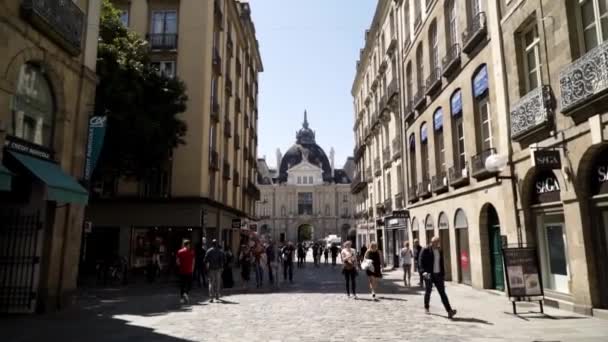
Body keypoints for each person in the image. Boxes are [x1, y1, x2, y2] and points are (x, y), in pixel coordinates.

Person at [419, 236, 457, 319]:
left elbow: (441, 262)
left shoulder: (439, 250)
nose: (436, 244)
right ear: (431, 242)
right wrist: (423, 272)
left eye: (437, 242)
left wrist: (443, 273)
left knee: (442, 293)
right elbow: (420, 261)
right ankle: (426, 307)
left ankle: (449, 311)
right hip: (429, 274)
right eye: (435, 242)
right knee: (428, 291)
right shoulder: (425, 249)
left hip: (438, 275)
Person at [176, 240, 195, 304]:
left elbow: (178, 262)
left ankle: (181, 298)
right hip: (189, 271)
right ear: (188, 245)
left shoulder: (179, 252)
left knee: (182, 285)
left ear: (184, 245)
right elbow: (193, 262)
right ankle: (186, 293)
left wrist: (181, 266)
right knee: (189, 284)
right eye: (189, 245)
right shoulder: (191, 252)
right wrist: (192, 269)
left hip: (182, 271)